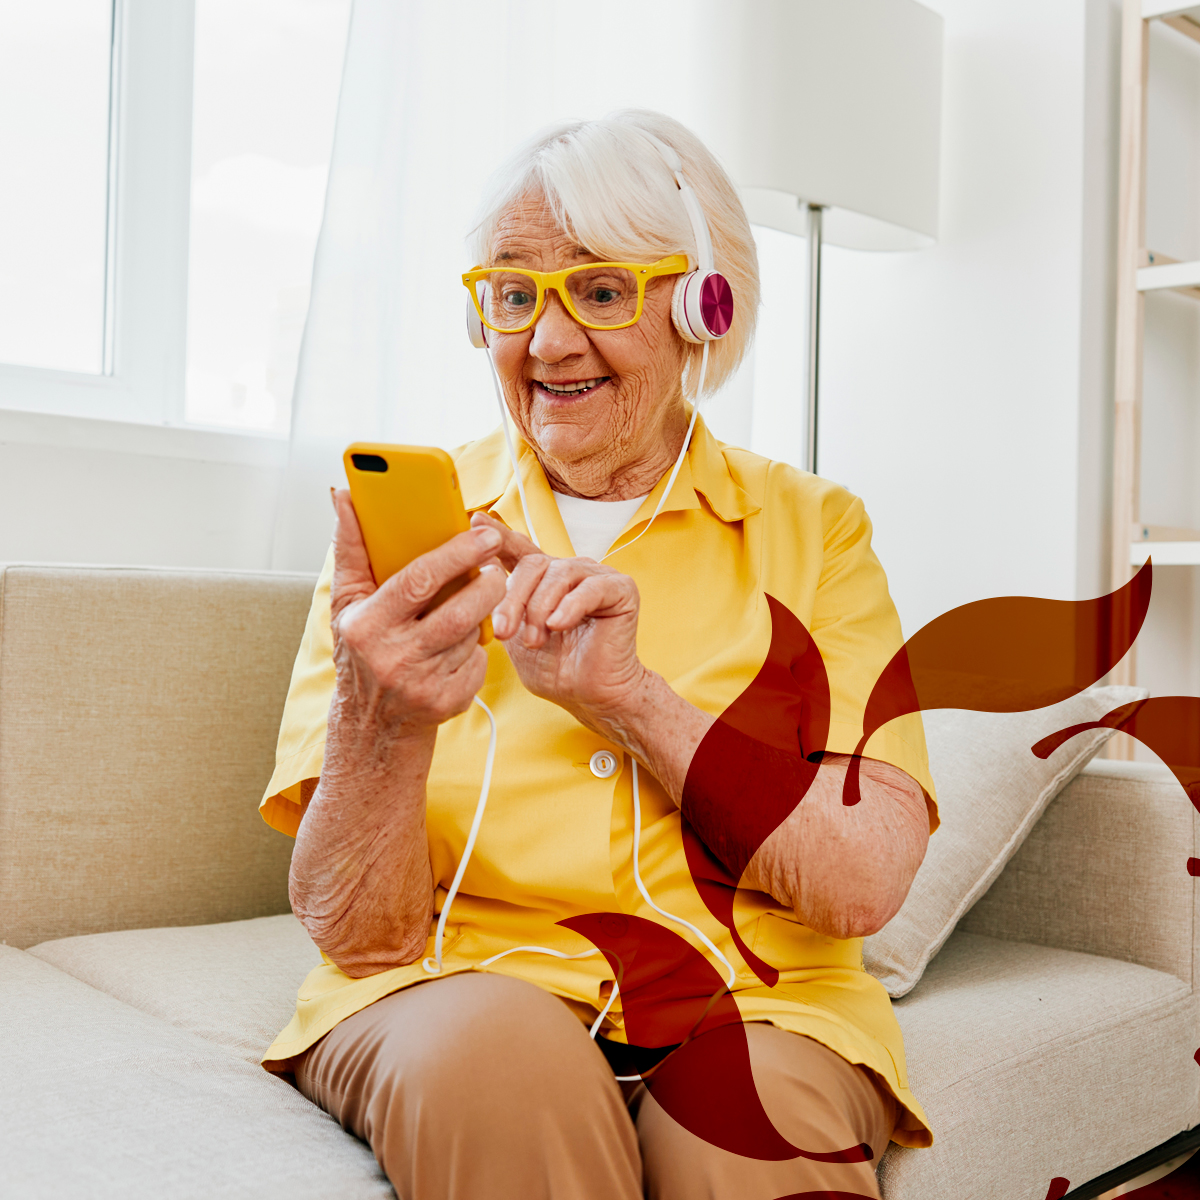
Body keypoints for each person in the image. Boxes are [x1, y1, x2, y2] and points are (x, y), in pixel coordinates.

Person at [259, 108, 938, 1200]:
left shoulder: (818, 530)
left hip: (756, 1000)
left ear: (704, 306)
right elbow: (359, 936)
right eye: (515, 293)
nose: (548, 341)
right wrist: (381, 718)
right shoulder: (405, 546)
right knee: (501, 1065)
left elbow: (864, 881)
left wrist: (634, 702)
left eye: (604, 289)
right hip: (461, 984)